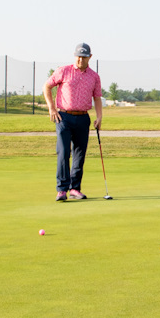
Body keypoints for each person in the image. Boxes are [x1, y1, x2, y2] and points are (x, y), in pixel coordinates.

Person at [42, 43, 103, 201]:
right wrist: (51, 108)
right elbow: (47, 87)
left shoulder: (94, 76)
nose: (80, 60)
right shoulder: (63, 71)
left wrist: (99, 117)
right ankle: (62, 189)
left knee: (79, 154)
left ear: (90, 57)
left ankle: (75, 188)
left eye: (84, 57)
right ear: (74, 56)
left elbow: (97, 97)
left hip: (83, 117)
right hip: (64, 117)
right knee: (63, 152)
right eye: (78, 56)